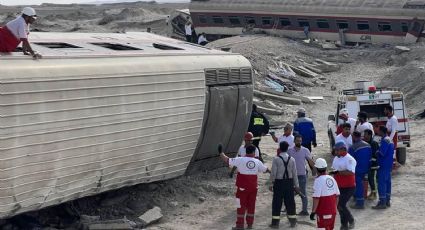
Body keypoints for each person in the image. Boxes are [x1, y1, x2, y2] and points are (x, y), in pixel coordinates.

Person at [219, 144, 270, 230]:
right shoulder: (257, 162)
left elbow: (227, 160)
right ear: (253, 152)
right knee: (251, 206)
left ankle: (240, 225)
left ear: (246, 151)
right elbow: (265, 170)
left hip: (242, 188)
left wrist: (220, 152)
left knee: (240, 206)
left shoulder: (240, 160)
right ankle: (249, 225)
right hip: (253, 188)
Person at [269, 141, 300, 228]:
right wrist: (297, 186)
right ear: (287, 149)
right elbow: (295, 174)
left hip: (279, 183)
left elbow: (273, 173)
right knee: (290, 203)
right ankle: (293, 222)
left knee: (277, 203)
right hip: (289, 183)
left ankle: (275, 224)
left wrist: (271, 184)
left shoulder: (276, 159)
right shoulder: (292, 159)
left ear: (280, 148)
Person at [331, 141, 356, 230]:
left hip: (349, 187)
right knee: (339, 205)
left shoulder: (350, 159)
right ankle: (344, 225)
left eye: (337, 150)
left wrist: (338, 172)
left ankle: (351, 220)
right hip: (338, 186)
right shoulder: (336, 158)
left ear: (343, 149)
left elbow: (350, 172)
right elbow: (334, 170)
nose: (336, 152)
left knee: (341, 204)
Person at [288, 135, 315, 216]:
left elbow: (310, 161)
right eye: (297, 141)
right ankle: (289, 209)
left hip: (302, 175)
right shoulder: (289, 151)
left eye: (300, 141)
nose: (299, 142)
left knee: (303, 193)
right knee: (290, 193)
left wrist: (314, 170)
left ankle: (304, 210)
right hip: (292, 175)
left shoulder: (305, 150)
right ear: (294, 141)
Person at [310, 158, 340, 230]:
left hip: (323, 212)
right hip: (333, 211)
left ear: (317, 169)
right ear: (325, 168)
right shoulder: (332, 179)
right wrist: (335, 208)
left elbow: (316, 198)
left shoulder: (318, 180)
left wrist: (313, 212)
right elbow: (337, 196)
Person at [372, 126, 394, 209]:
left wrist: (377, 152)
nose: (377, 131)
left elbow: (382, 153)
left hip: (383, 165)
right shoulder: (389, 139)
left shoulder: (385, 140)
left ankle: (382, 203)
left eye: (378, 130)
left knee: (381, 183)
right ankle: (387, 201)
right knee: (388, 183)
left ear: (381, 131)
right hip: (388, 164)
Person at [349, 131, 372, 209]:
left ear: (355, 137)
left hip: (357, 169)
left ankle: (360, 203)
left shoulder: (353, 147)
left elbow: (350, 160)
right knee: (363, 184)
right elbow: (370, 157)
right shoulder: (368, 145)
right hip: (366, 169)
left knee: (358, 185)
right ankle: (358, 198)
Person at [364, 129, 379, 200]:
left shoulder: (373, 143)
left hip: (374, 165)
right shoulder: (366, 143)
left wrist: (370, 161)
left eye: (365, 134)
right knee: (370, 179)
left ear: (369, 135)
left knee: (372, 179)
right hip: (369, 164)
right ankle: (372, 192)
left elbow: (375, 155)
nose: (364, 136)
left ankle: (375, 194)